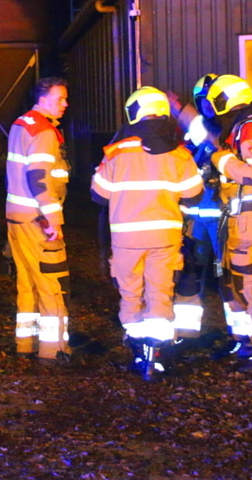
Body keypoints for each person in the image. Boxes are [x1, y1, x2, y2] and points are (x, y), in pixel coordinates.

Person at [91, 86, 203, 380]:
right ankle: (156, 358)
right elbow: (193, 194)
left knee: (130, 295)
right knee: (160, 294)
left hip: (126, 239)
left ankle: (138, 352)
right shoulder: (178, 153)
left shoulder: (116, 152)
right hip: (165, 238)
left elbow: (98, 195)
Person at [204, 74, 252, 370]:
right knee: (236, 282)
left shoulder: (251, 127)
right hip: (237, 219)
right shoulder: (239, 126)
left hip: (249, 219)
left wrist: (219, 159)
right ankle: (248, 342)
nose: (212, 106)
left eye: (215, 99)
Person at [5, 77, 72, 366]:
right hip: (38, 219)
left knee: (27, 283)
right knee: (50, 284)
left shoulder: (21, 124)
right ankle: (53, 350)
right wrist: (53, 218)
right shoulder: (44, 132)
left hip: (17, 218)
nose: (65, 104)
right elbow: (39, 177)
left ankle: (25, 344)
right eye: (60, 99)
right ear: (43, 100)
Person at [171, 74, 226, 346]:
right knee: (189, 272)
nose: (206, 104)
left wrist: (180, 110)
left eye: (210, 99)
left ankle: (244, 337)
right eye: (202, 100)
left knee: (229, 276)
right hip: (196, 218)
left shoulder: (227, 129)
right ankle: (187, 332)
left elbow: (207, 137)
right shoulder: (196, 134)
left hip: (223, 217)